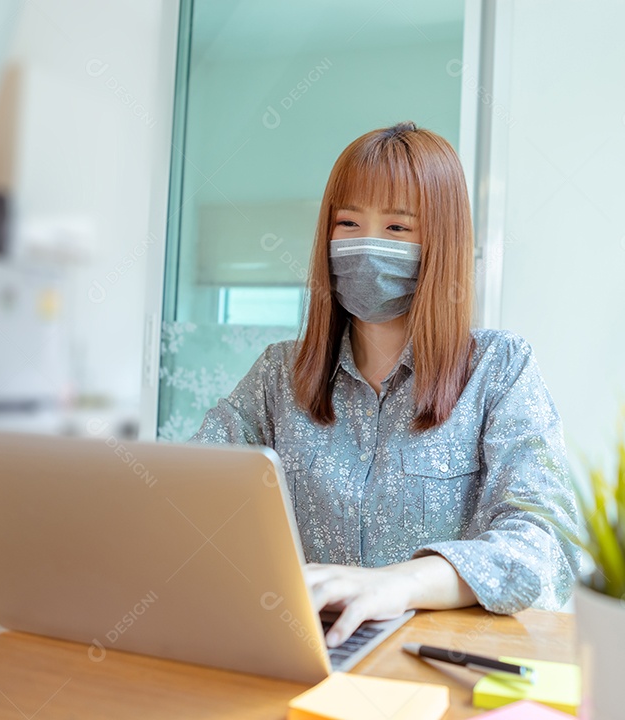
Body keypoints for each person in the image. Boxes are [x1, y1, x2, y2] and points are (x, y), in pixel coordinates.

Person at [192, 121, 581, 647]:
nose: (367, 246)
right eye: (348, 223)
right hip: (305, 648)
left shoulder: (500, 368)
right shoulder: (276, 375)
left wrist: (400, 582)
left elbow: (548, 544)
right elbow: (188, 494)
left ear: (441, 241)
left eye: (397, 229)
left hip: (433, 662)